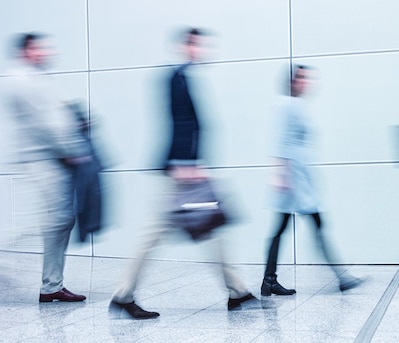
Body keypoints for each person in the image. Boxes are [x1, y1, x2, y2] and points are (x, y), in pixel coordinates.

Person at [110, 28, 257, 319]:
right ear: (185, 47)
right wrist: (184, 163)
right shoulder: (176, 77)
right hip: (180, 170)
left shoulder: (185, 77)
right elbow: (179, 121)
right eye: (197, 45)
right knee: (156, 233)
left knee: (211, 227)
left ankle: (236, 291)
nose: (202, 51)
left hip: (186, 167)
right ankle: (123, 295)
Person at [261, 65, 362, 296]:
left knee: (283, 228)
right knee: (315, 226)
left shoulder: (293, 105)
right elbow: (281, 141)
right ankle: (342, 277)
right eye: (302, 78)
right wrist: (280, 174)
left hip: (298, 180)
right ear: (292, 81)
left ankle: (269, 280)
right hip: (292, 182)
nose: (307, 82)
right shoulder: (287, 105)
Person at [6, 33, 92, 302]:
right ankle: (46, 282)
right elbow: (48, 123)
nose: (45, 52)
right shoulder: (24, 81)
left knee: (60, 221)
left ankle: (51, 286)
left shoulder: (36, 79)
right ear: (26, 51)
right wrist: (74, 150)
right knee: (55, 220)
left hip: (50, 160)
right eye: (39, 48)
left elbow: (54, 117)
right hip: (44, 161)